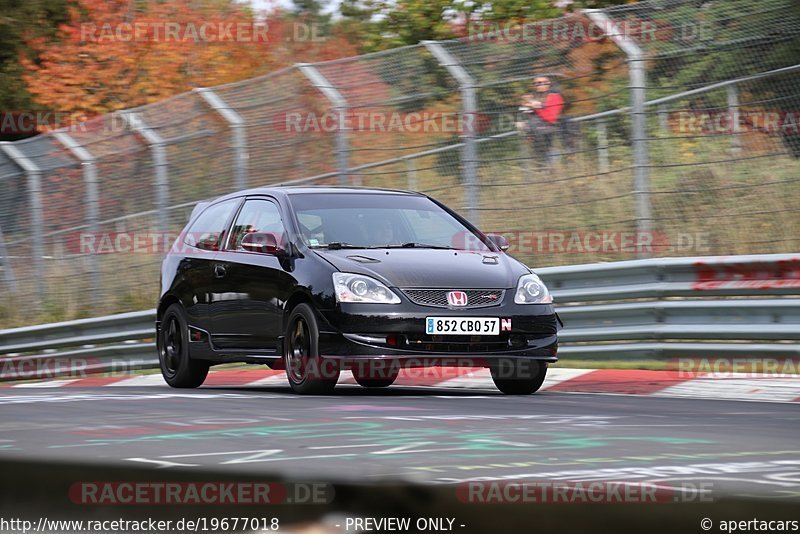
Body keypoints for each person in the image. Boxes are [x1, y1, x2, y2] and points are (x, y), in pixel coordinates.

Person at [516, 76, 565, 168]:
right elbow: (525, 112)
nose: (540, 85)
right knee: (538, 162)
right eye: (537, 83)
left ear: (549, 84)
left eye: (543, 82)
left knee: (548, 162)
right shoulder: (533, 96)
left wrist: (534, 106)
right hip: (535, 134)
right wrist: (525, 104)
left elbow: (551, 118)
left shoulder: (554, 97)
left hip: (548, 132)